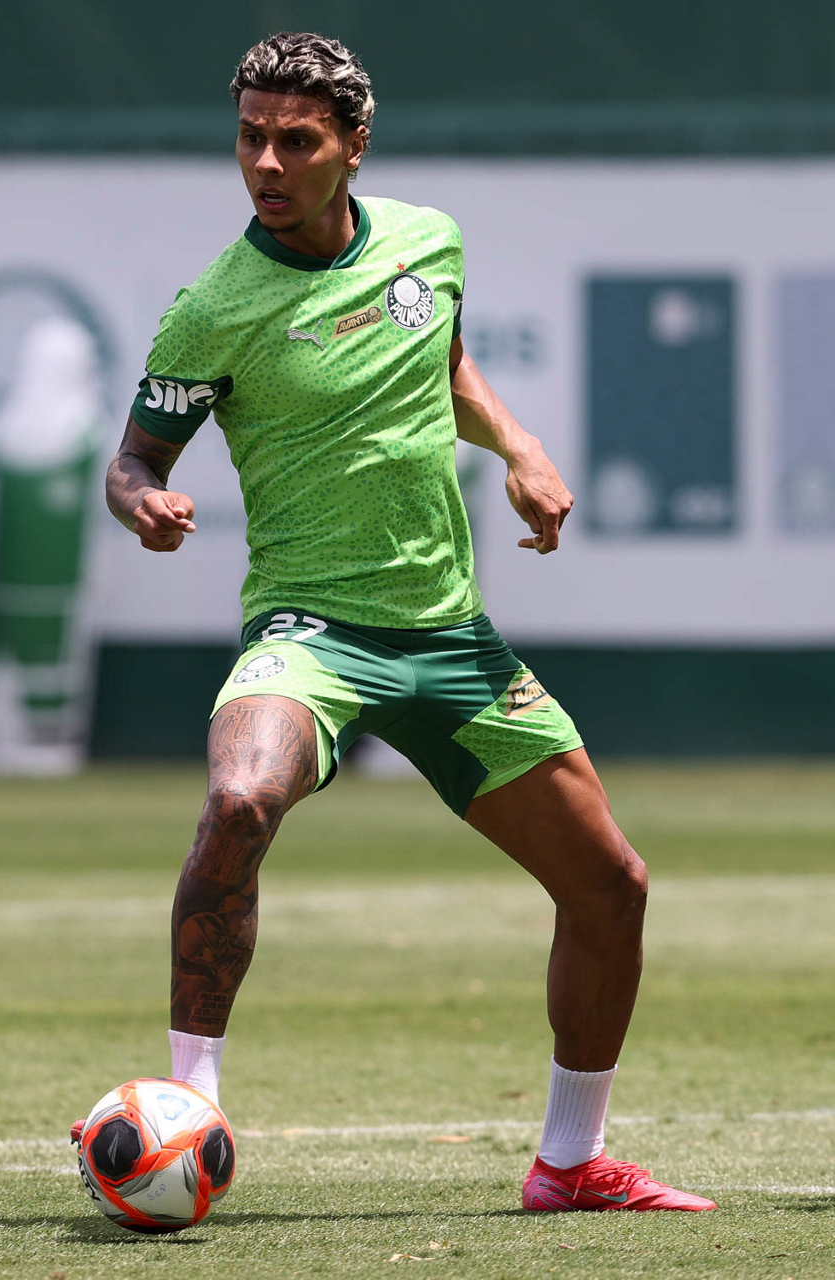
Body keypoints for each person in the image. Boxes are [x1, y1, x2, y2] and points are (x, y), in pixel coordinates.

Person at [96, 32, 716, 1213]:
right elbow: (132, 459)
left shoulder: (429, 241)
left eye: (296, 140)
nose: (265, 163)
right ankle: (190, 1100)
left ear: (354, 146)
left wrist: (522, 450)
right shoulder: (212, 310)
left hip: (448, 638)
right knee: (239, 800)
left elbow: (447, 361)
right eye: (249, 138)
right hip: (309, 636)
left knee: (611, 883)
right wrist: (144, 502)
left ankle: (570, 1160)